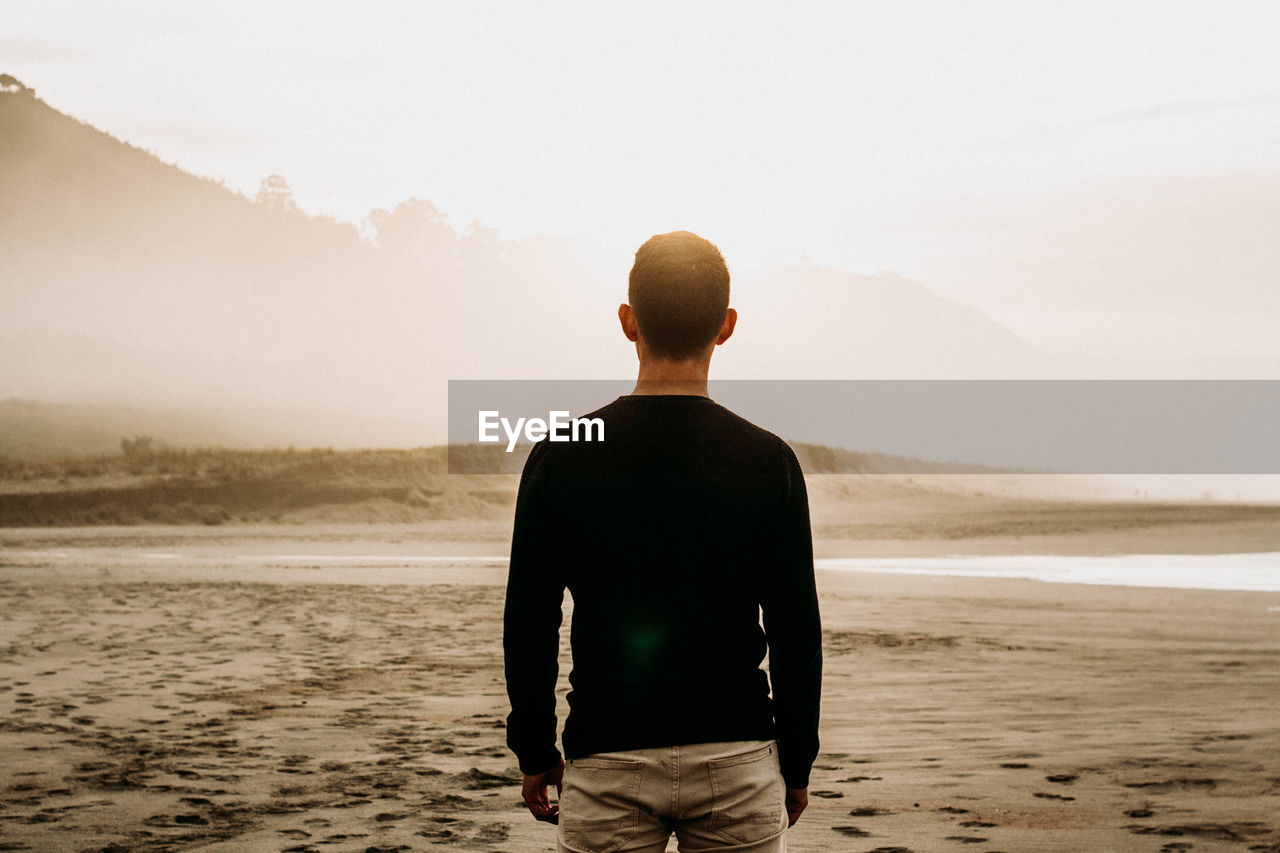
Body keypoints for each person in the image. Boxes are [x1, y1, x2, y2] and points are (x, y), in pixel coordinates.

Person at [504, 230, 823, 852]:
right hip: (736, 755)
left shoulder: (563, 456)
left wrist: (535, 748)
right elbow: (795, 629)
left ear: (628, 322)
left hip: (608, 753)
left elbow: (530, 619)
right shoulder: (767, 460)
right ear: (726, 325)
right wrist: (798, 758)